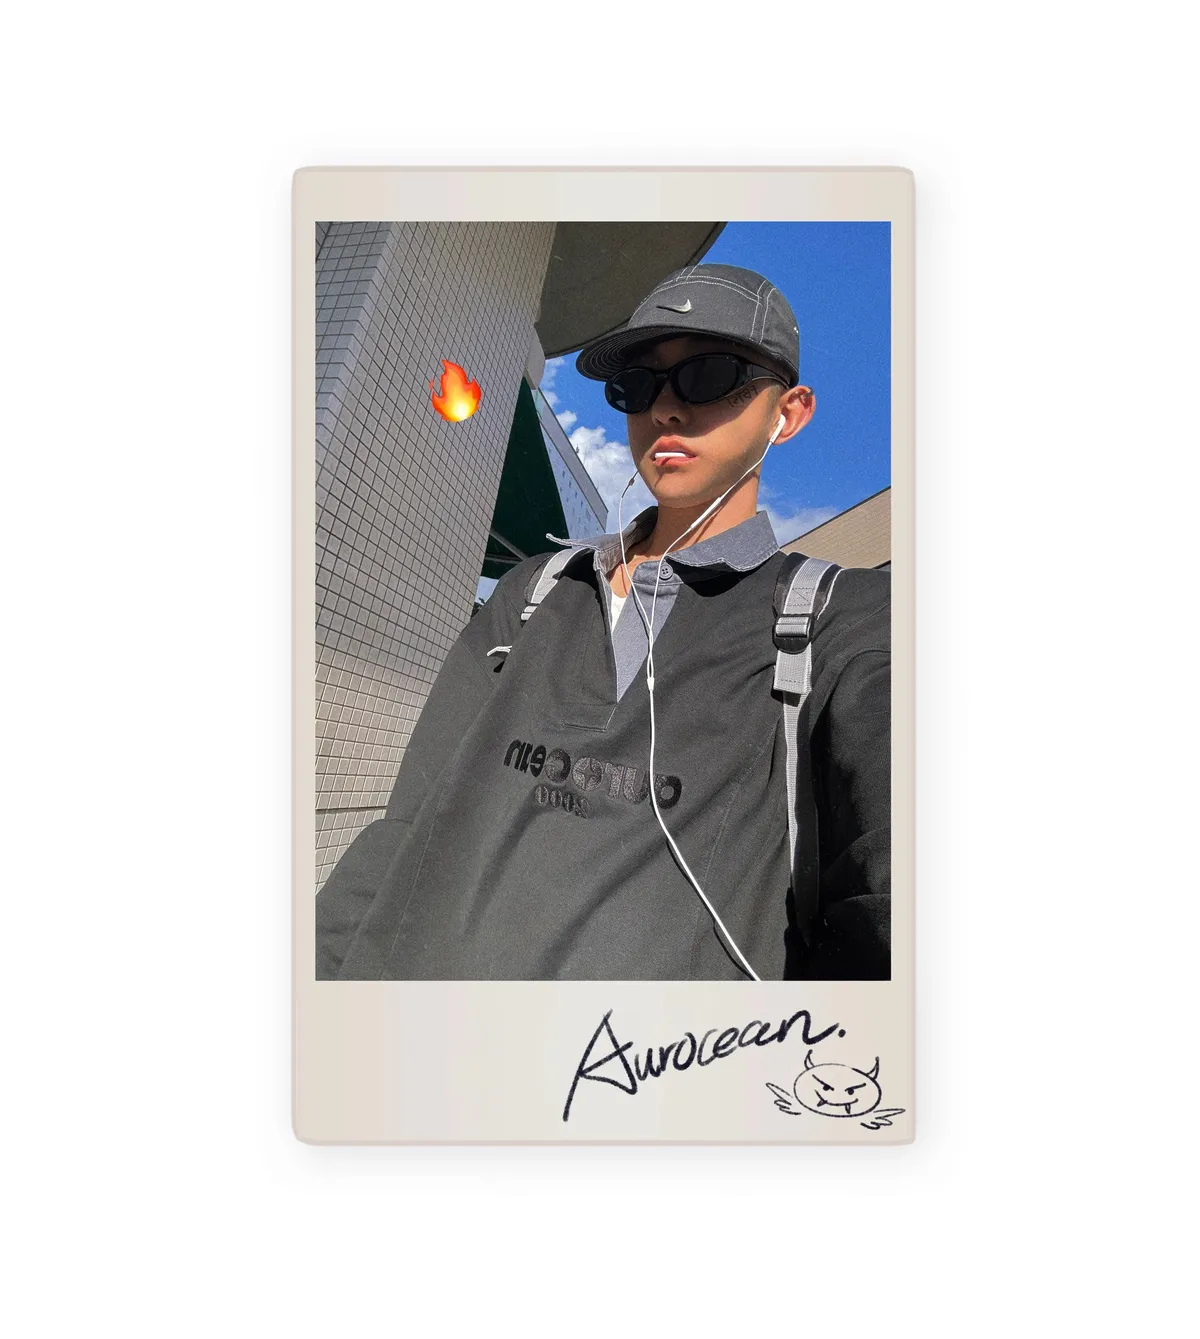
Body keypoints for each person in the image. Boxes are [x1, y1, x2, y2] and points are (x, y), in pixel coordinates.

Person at [316, 262, 890, 981]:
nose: (666, 409)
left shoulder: (843, 622)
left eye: (709, 375)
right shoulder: (535, 592)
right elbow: (402, 831)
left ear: (789, 413)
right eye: (638, 385)